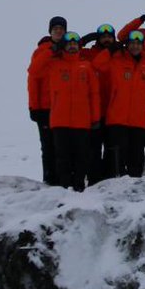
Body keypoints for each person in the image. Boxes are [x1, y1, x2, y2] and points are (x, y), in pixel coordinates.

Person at [46, 32, 101, 192]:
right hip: (60, 120)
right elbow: (34, 69)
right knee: (62, 156)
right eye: (69, 44)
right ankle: (64, 186)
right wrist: (51, 50)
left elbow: (94, 94)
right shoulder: (54, 64)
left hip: (82, 121)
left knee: (81, 156)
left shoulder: (86, 66)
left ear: (79, 46)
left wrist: (95, 118)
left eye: (75, 44)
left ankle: (78, 185)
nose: (72, 46)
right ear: (63, 46)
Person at [105, 31, 145, 178]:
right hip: (118, 117)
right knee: (118, 153)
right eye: (132, 43)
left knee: (137, 153)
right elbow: (98, 64)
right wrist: (110, 50)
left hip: (139, 118)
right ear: (127, 45)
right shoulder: (117, 61)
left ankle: (135, 180)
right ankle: (117, 180)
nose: (135, 46)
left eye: (138, 44)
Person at [28, 15, 67, 184]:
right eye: (55, 29)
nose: (58, 31)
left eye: (61, 29)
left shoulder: (66, 50)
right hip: (45, 107)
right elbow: (33, 74)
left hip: (62, 107)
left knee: (62, 147)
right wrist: (34, 107)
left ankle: (62, 179)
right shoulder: (42, 51)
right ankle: (49, 180)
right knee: (48, 146)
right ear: (50, 31)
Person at [79, 23, 119, 183]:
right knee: (93, 148)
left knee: (112, 147)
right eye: (103, 37)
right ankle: (94, 179)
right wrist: (85, 39)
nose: (107, 40)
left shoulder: (119, 54)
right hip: (94, 111)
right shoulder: (89, 54)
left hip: (113, 109)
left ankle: (110, 178)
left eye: (109, 37)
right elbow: (69, 50)